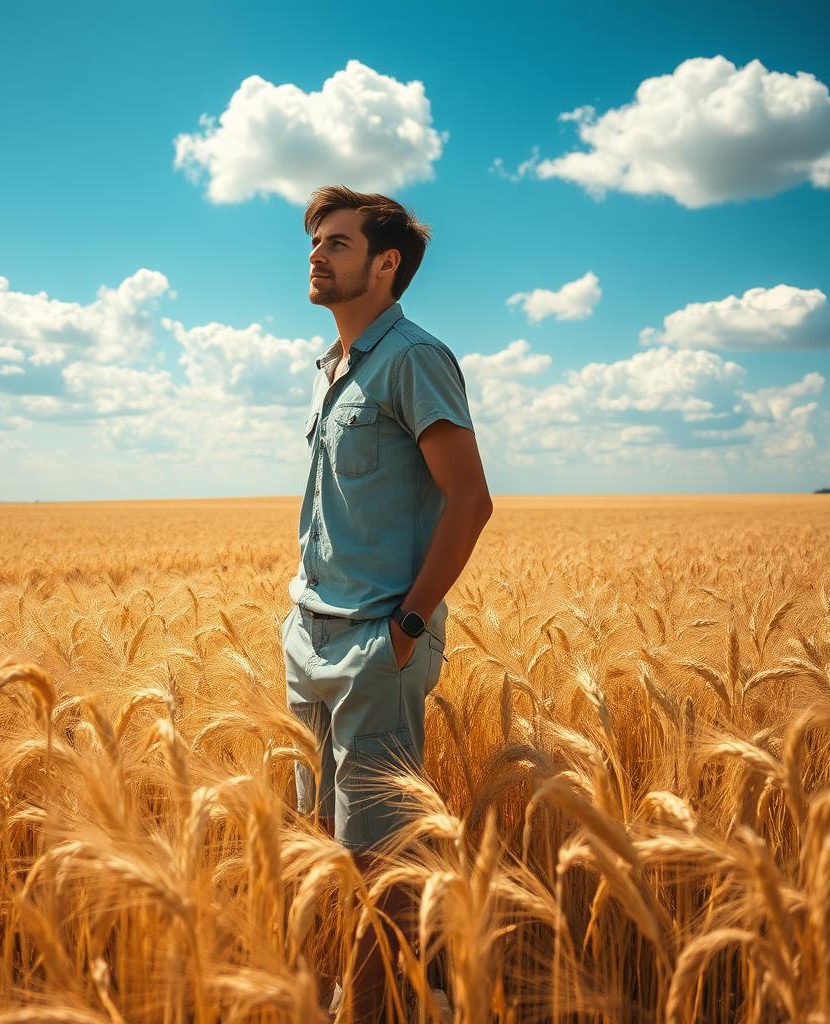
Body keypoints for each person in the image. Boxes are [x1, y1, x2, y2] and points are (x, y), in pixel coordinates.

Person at [279, 184, 493, 1021]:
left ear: (386, 262)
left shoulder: (414, 359)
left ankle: (370, 1013)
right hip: (310, 639)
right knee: (324, 845)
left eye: (336, 242)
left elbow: (469, 500)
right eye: (315, 243)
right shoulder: (330, 366)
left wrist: (404, 629)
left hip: (374, 647)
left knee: (381, 861)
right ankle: (356, 996)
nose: (316, 254)